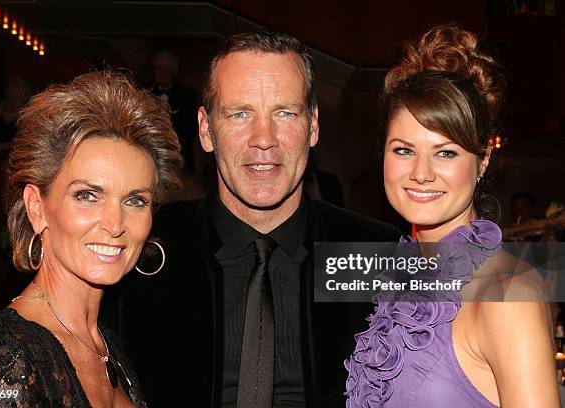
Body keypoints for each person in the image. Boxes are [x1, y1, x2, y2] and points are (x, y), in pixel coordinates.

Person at [103, 31, 400, 407]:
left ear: (313, 127)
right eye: (240, 113)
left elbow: (481, 296)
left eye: (285, 113)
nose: (264, 138)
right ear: (206, 129)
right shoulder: (147, 248)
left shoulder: (368, 250)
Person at [345, 23, 559, 407]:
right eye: (404, 150)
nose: (421, 172)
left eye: (446, 152)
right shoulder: (396, 284)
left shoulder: (508, 294)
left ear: (482, 161)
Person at [0, 71, 182, 407]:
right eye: (88, 195)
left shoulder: (107, 345)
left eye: (135, 200)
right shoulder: (1, 356)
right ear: (37, 207)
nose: (115, 224)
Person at [148, 49, 198, 171]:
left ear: (174, 71)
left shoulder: (187, 95)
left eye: (165, 69)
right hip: (152, 155)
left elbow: (189, 129)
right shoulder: (147, 93)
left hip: (180, 158)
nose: (161, 73)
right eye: (158, 69)